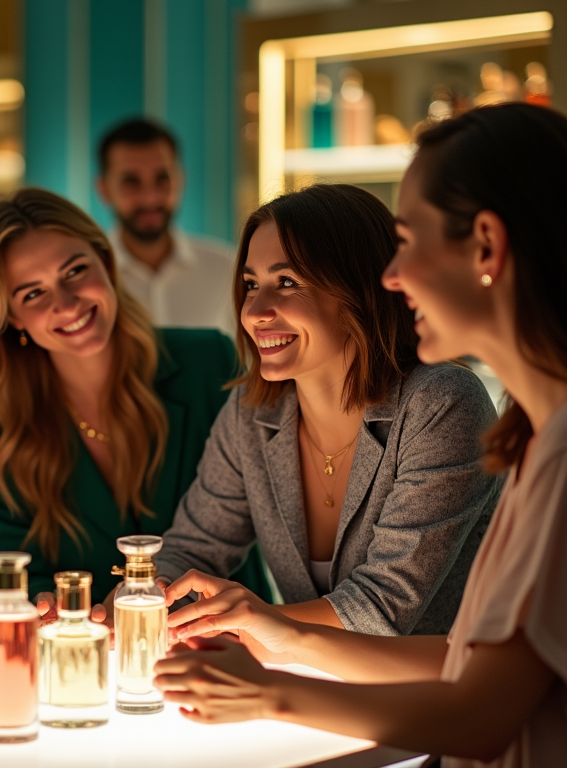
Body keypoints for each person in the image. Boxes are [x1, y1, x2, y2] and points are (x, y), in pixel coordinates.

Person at [153, 103, 567, 766]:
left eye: (408, 242)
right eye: (250, 284)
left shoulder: (543, 437)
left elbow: (479, 714)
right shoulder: (540, 436)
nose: (391, 275)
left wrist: (271, 689)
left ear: (489, 246)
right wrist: (265, 637)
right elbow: (458, 659)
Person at [157, 183, 501, 636]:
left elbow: (381, 610)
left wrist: (246, 621)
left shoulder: (441, 404)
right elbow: (193, 548)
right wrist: (141, 599)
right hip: (319, 692)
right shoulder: (252, 412)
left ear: (357, 288)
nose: (255, 311)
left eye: (286, 283)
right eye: (250, 285)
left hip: (446, 698)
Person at [0, 187, 272, 615]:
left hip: (228, 639)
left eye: (74, 271)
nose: (66, 303)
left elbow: (259, 514)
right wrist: (44, 605)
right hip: (92, 651)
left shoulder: (207, 360)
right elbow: (22, 566)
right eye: (33, 293)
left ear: (105, 263)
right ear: (12, 315)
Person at [96, 117, 235, 333]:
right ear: (104, 189)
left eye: (162, 179)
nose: (150, 198)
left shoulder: (229, 270)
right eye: (131, 182)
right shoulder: (89, 277)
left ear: (180, 180)